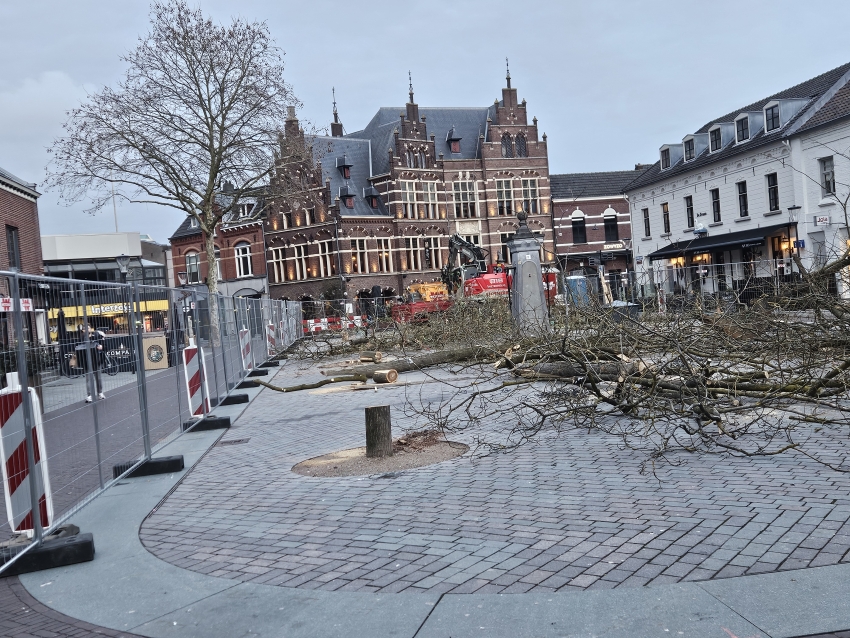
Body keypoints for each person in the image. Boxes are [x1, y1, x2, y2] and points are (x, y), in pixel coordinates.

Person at [78, 324, 106, 402]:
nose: (87, 330)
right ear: (83, 330)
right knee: (88, 379)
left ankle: (100, 393)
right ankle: (89, 395)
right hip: (87, 361)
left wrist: (102, 347)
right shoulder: (81, 338)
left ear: (91, 329)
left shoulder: (96, 335)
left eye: (88, 328)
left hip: (97, 360)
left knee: (98, 378)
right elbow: (78, 347)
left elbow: (104, 344)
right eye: (85, 329)